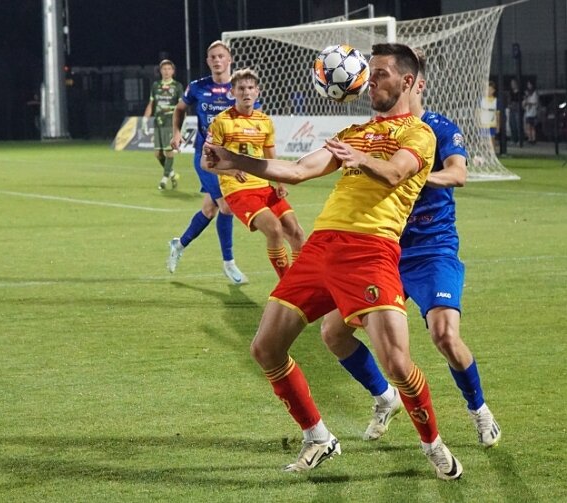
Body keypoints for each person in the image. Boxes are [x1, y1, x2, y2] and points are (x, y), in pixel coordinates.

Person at [204, 43, 463, 480]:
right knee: (265, 348)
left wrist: (361, 160)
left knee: (398, 364)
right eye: (369, 72)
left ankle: (433, 444)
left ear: (405, 81)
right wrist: (233, 160)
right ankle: (319, 437)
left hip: (371, 250)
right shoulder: (352, 132)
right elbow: (298, 170)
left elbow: (397, 172)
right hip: (322, 246)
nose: (370, 80)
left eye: (379, 73)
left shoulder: (419, 133)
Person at [319, 50, 501, 451]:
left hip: (432, 247)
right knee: (333, 332)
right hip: (383, 249)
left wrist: (416, 174)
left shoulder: (436, 128)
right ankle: (385, 397)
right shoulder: (377, 129)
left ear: (414, 83)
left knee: (444, 335)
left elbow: (458, 173)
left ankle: (479, 409)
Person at [201, 69, 305, 279]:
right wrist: (230, 171)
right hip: (238, 191)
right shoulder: (221, 122)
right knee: (275, 229)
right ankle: (287, 286)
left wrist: (280, 182)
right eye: (241, 88)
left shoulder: (264, 121)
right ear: (233, 92)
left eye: (250, 88)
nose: (246, 92)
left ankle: (303, 283)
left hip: (263, 187)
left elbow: (270, 155)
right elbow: (205, 162)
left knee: (297, 232)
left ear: (257, 91)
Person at [167, 40, 249, 285]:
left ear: (229, 59)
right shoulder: (197, 87)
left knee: (209, 210)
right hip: (206, 158)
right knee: (226, 207)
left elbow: (252, 116)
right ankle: (229, 264)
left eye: (221, 56)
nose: (216, 60)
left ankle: (178, 244)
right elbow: (180, 109)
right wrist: (177, 132)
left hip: (230, 156)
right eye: (212, 56)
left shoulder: (239, 88)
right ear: (208, 61)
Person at [142, 59, 183, 190]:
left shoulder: (177, 86)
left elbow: (181, 107)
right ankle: (172, 174)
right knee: (157, 154)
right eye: (164, 69)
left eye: (169, 69)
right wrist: (145, 119)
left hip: (170, 121)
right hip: (158, 122)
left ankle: (164, 180)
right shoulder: (155, 86)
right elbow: (151, 104)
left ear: (173, 71)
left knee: (168, 151)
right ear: (160, 71)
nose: (166, 71)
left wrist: (181, 125)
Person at [479, 81, 498, 151]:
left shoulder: (495, 101)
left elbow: (497, 113)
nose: (488, 91)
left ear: (493, 90)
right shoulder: (481, 100)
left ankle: (493, 154)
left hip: (492, 124)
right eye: (487, 89)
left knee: (492, 140)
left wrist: (498, 125)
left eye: (490, 89)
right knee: (483, 141)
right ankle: (483, 154)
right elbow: (477, 113)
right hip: (483, 123)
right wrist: (477, 122)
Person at [508, 78, 523, 146]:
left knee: (518, 125)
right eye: (511, 84)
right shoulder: (510, 92)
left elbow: (521, 101)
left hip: (517, 110)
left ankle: (519, 140)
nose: (512, 85)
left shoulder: (520, 92)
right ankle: (514, 139)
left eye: (513, 83)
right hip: (512, 110)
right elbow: (509, 101)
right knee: (512, 125)